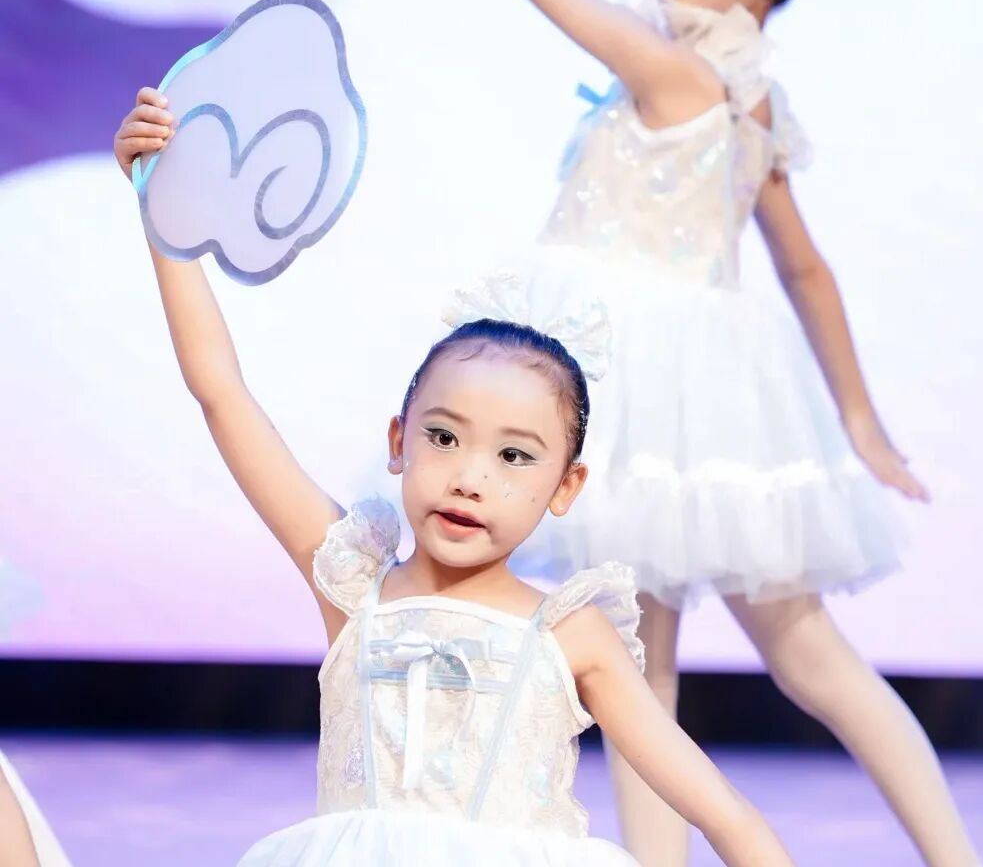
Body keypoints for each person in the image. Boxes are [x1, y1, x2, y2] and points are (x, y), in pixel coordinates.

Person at [321, 0, 980, 863]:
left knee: (682, 662)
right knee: (769, 656)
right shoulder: (745, 96)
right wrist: (857, 422)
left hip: (640, 385)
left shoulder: (673, 70)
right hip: (695, 392)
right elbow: (804, 271)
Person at [112, 87, 794, 865]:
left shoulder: (569, 633)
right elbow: (221, 391)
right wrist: (160, 205)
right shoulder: (354, 587)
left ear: (565, 486)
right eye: (444, 437)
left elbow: (726, 816)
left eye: (514, 456)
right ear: (399, 441)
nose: (470, 478)